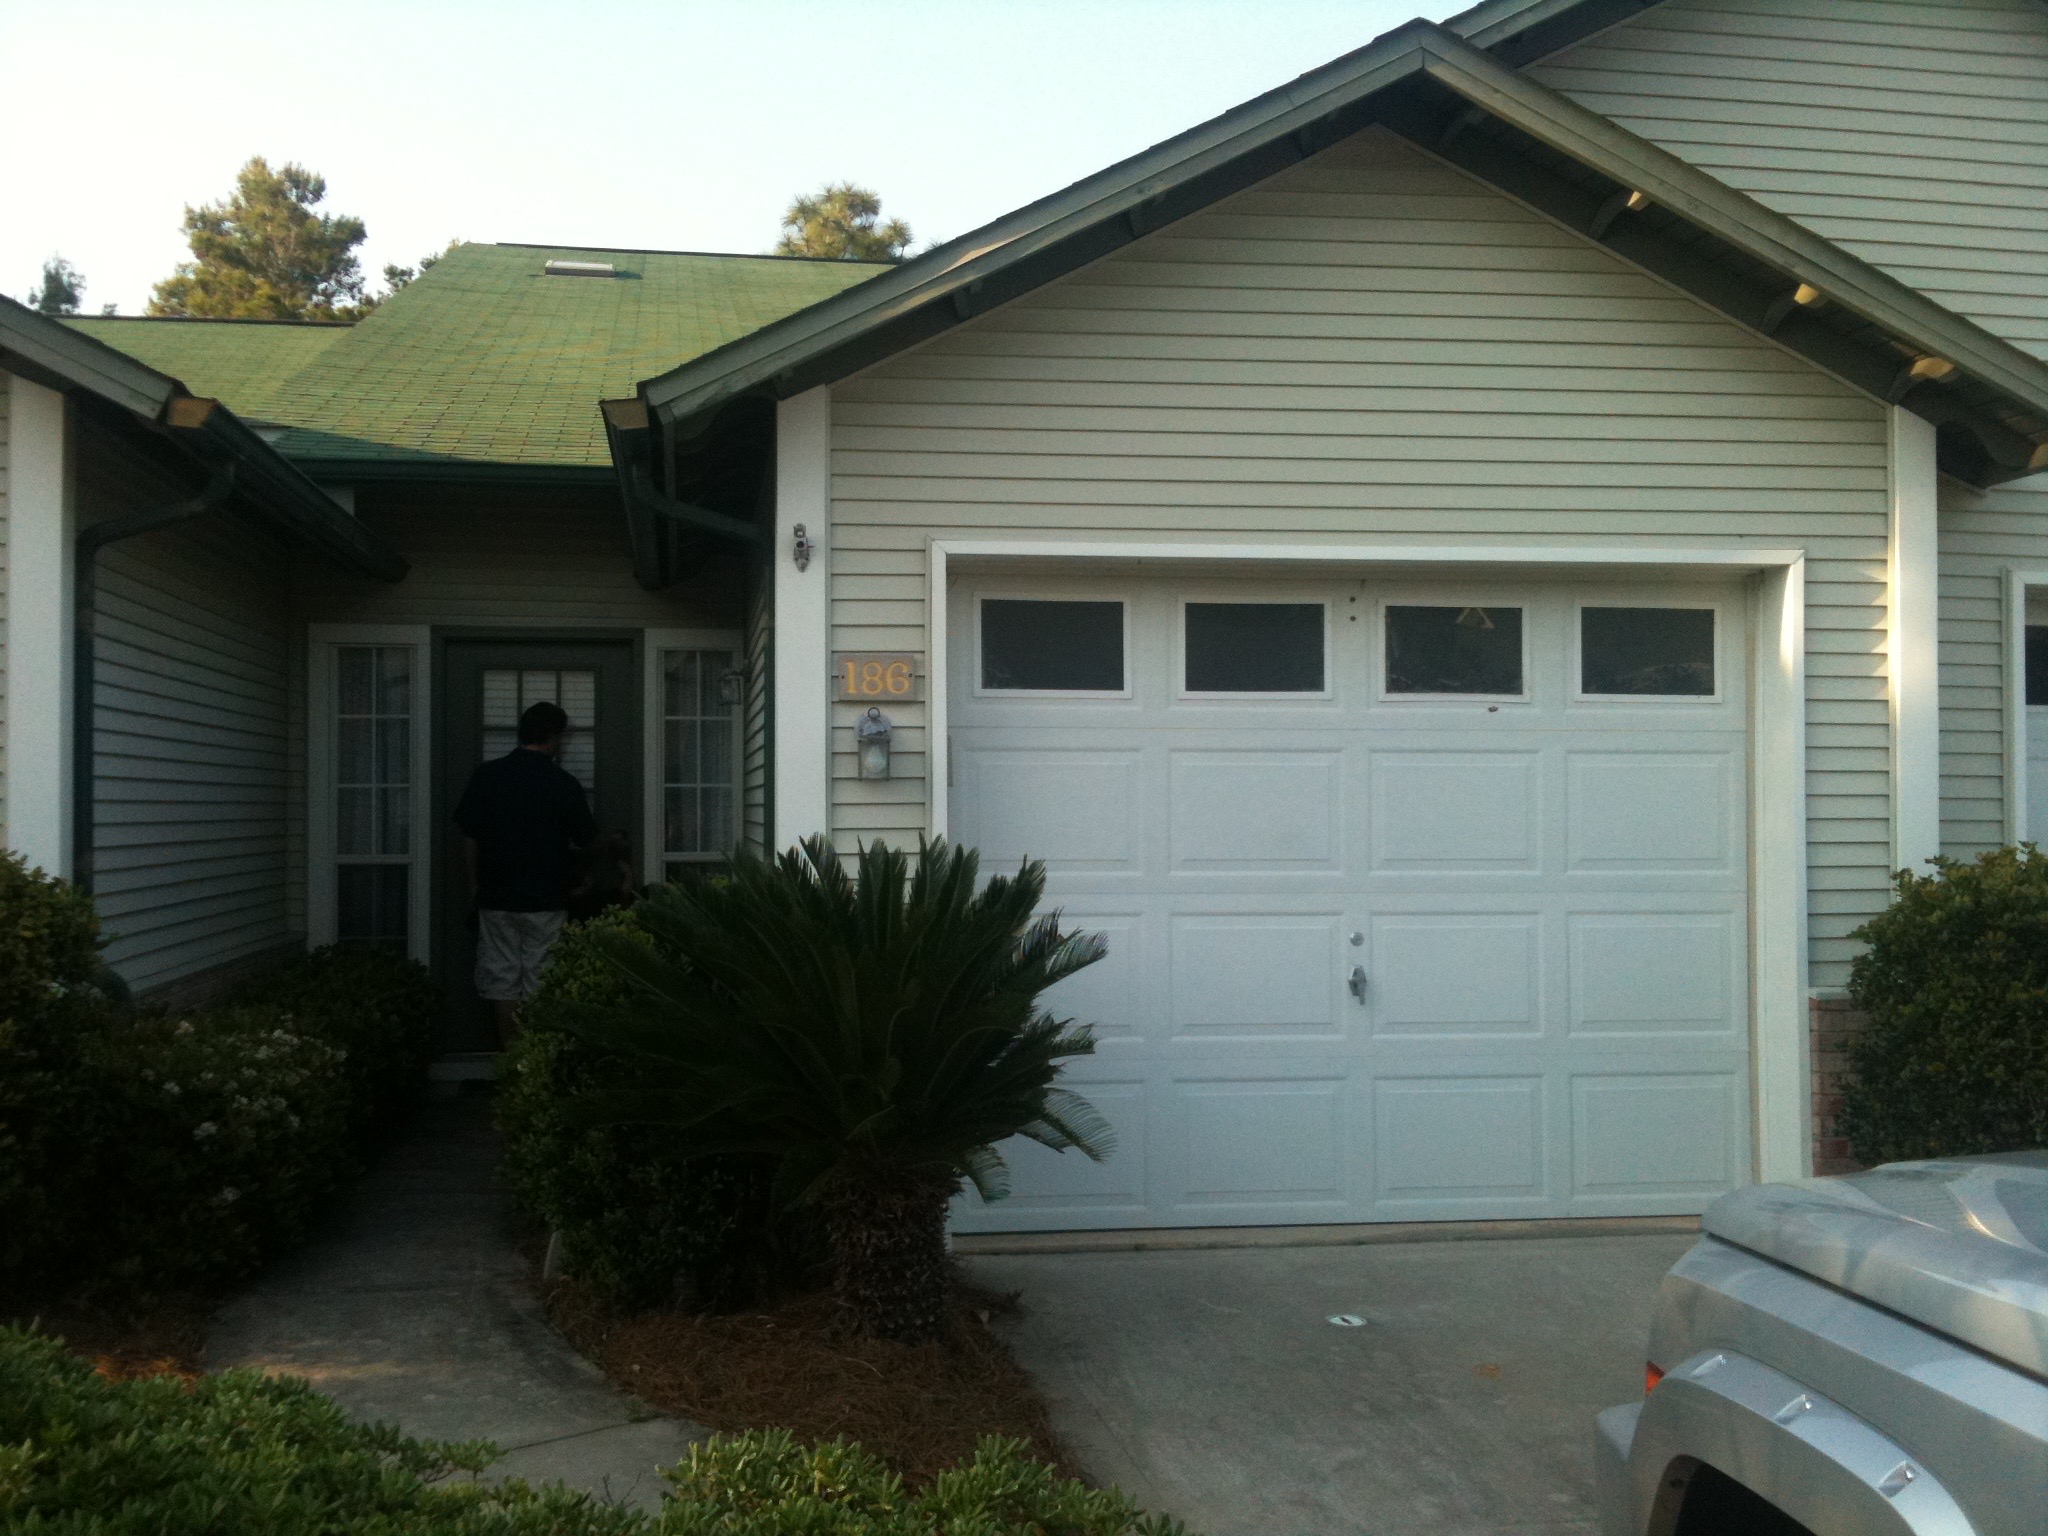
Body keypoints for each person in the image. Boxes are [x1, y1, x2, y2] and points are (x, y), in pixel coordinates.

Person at [454, 700, 596, 1046]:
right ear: (553, 737)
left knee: (504, 985)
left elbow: (469, 837)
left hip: (497, 897)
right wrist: (584, 877)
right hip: (546, 900)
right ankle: (535, 1064)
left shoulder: (488, 776)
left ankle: (511, 1062)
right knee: (542, 982)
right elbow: (586, 839)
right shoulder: (562, 784)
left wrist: (474, 885)